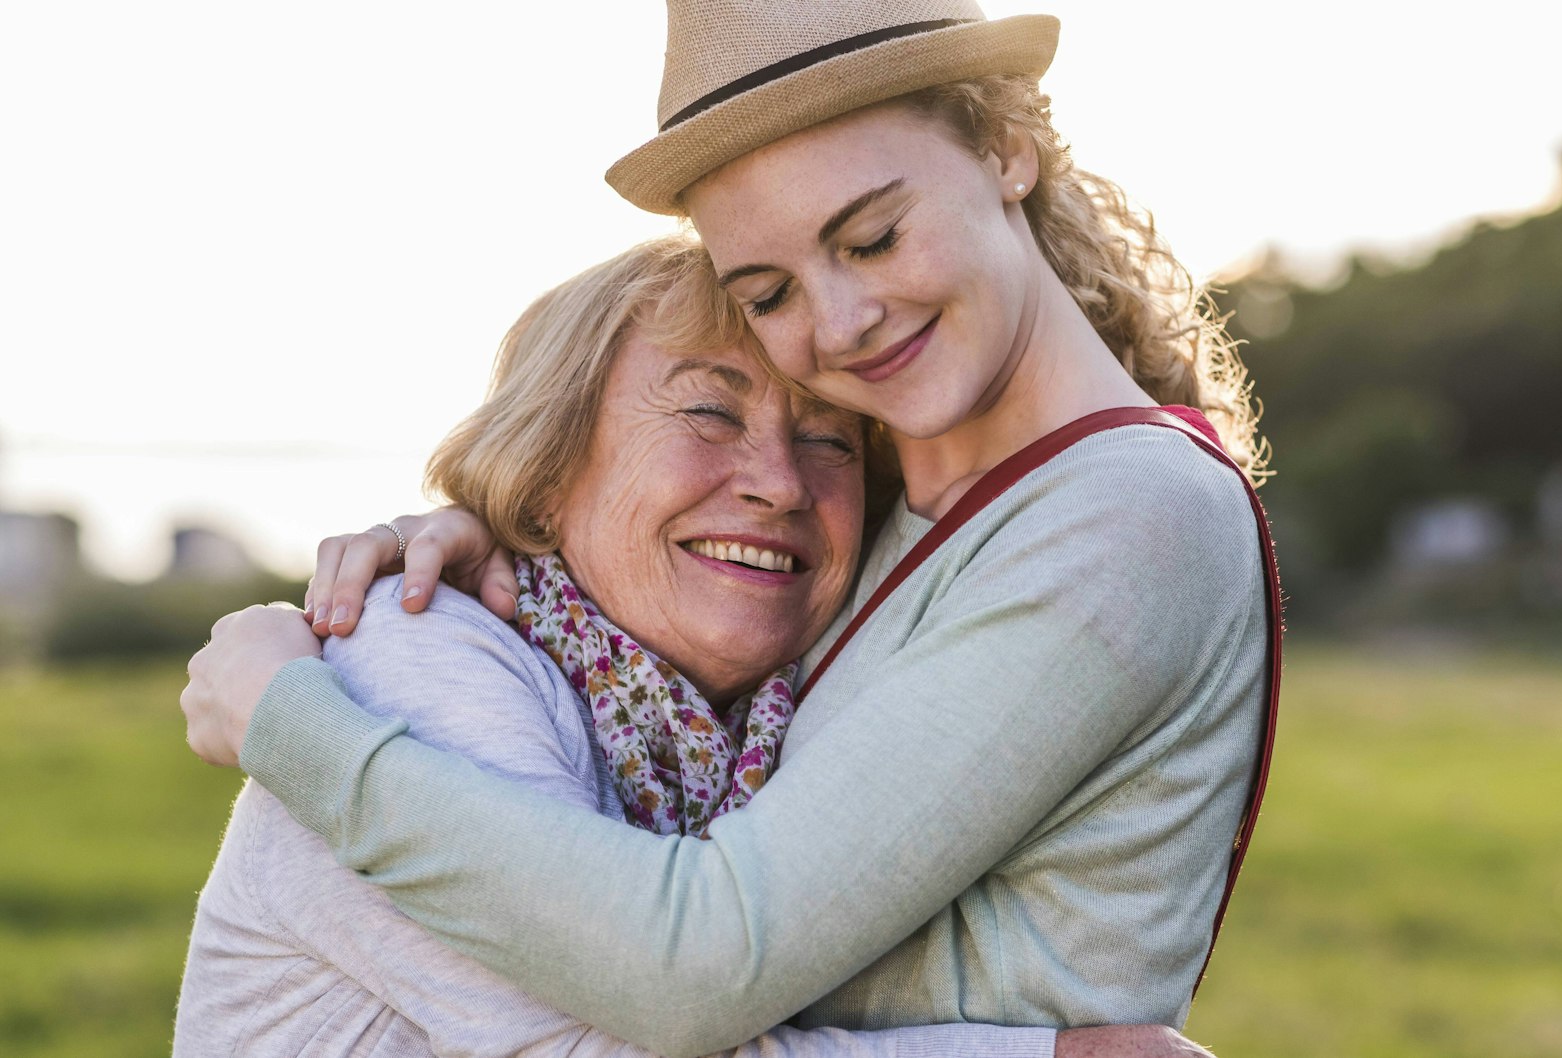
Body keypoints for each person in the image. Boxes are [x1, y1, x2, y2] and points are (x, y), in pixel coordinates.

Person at [181, 4, 1281, 1057]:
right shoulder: (902, 514)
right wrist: (509, 528)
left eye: (874, 235)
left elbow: (697, 961)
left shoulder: (1126, 513)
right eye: (767, 294)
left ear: (1004, 147)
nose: (840, 324)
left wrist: (289, 719)